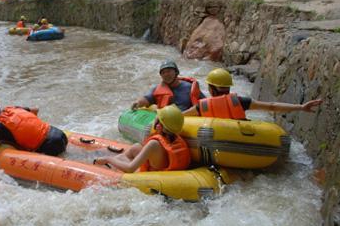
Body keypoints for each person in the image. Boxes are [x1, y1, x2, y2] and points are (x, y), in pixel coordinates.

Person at [182, 68, 323, 119]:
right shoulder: (241, 101)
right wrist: (301, 107)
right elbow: (272, 106)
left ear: (211, 88)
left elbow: (181, 117)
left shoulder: (202, 106)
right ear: (229, 88)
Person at [0, 94, 68, 162]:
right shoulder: (12, 108)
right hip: (59, 134)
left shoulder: (0, 126)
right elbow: (35, 110)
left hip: (50, 146)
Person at [95, 105, 190, 172]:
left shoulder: (154, 144)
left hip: (148, 175)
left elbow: (130, 168)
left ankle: (106, 164)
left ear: (159, 125)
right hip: (161, 167)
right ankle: (112, 161)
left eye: (157, 118)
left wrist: (108, 159)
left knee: (118, 158)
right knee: (136, 147)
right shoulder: (175, 138)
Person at [131, 60, 204, 111]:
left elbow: (203, 103)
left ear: (176, 72)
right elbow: (146, 99)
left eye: (169, 71)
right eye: (163, 73)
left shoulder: (189, 87)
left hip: (188, 119)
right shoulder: (157, 89)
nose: (166, 75)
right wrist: (137, 103)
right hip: (168, 122)